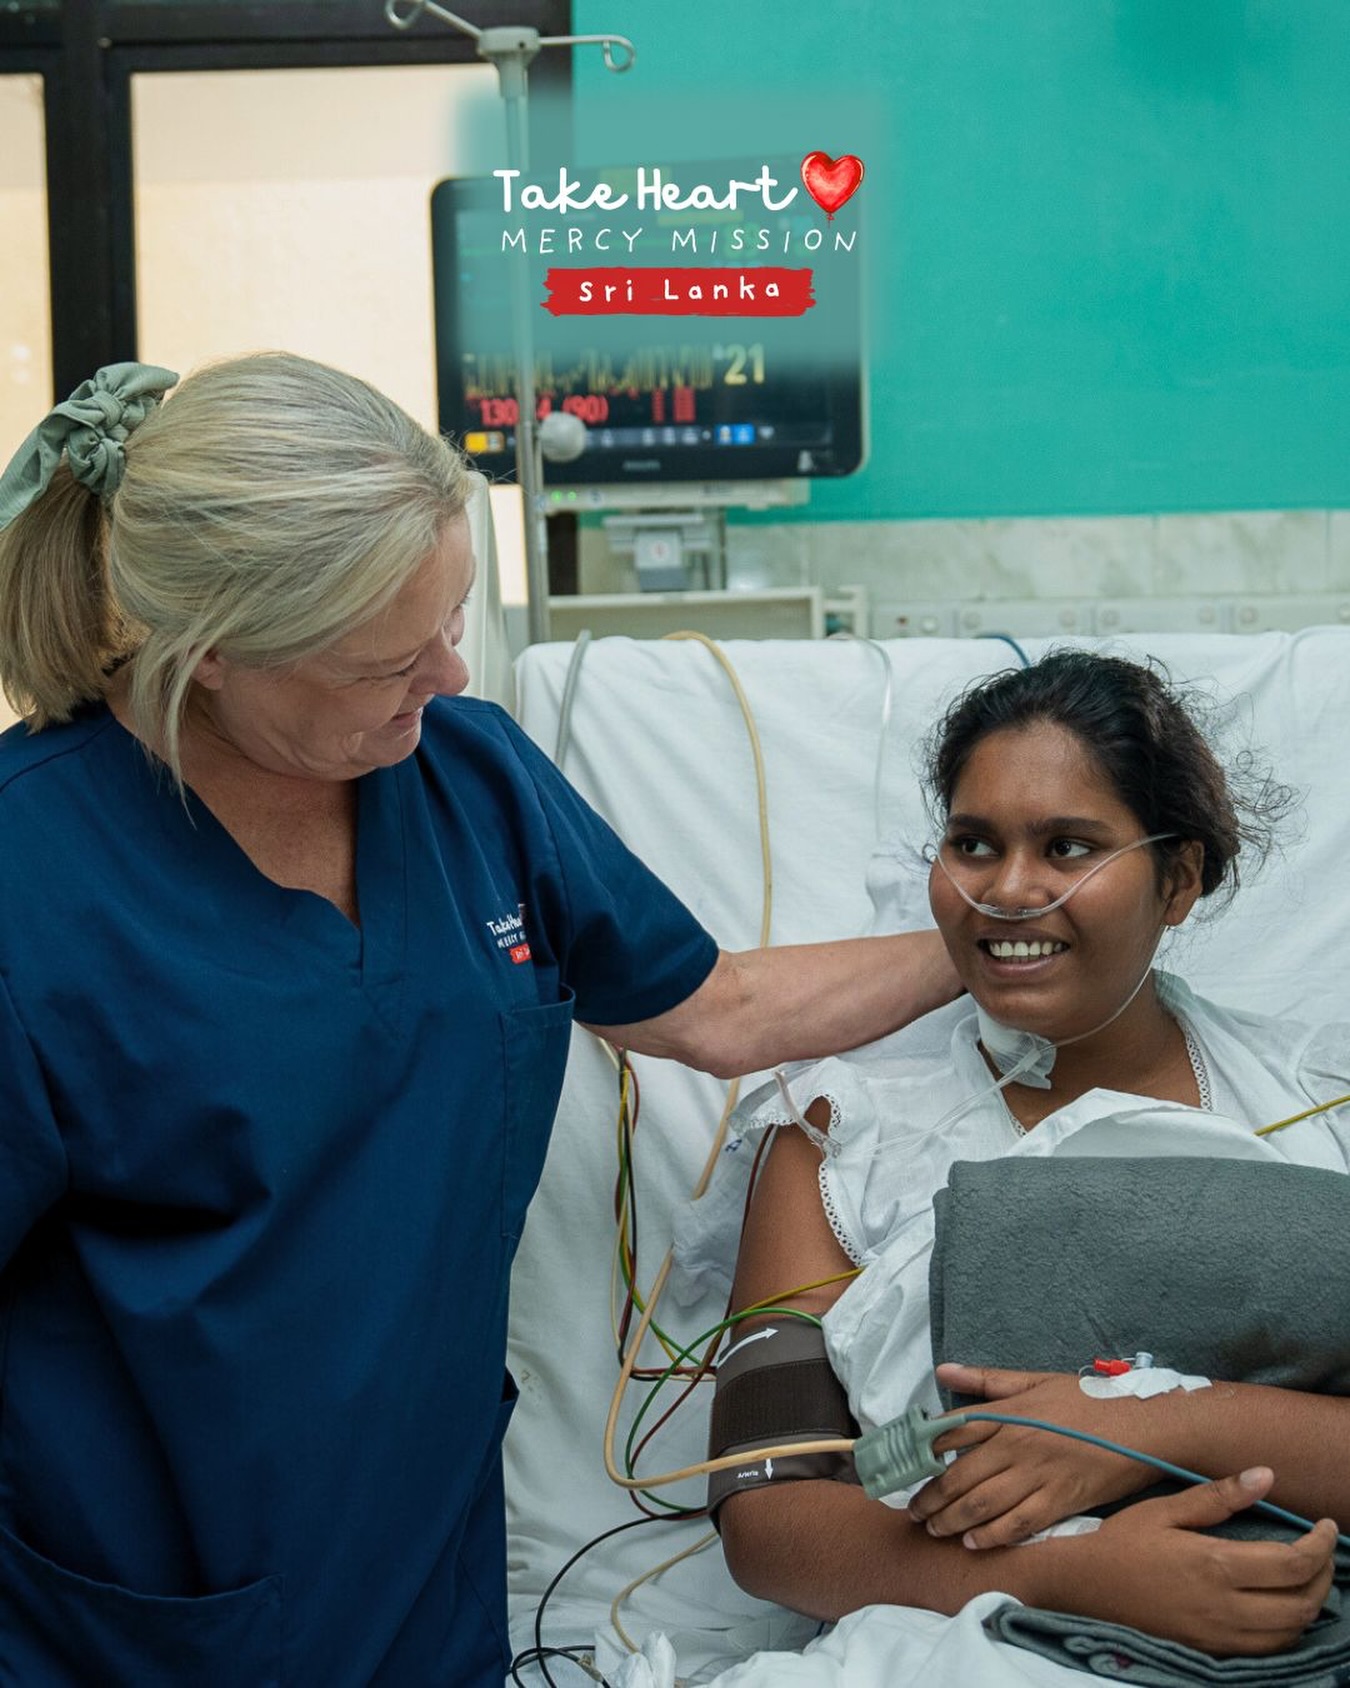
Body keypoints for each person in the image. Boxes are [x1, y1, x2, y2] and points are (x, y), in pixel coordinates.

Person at [0, 355, 961, 1687]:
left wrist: (988, 938)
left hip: (422, 1570)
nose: (449, 675)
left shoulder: (468, 776)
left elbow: (716, 1008)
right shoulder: (30, 873)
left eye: (453, 618)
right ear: (209, 652)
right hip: (130, 1609)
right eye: (389, 658)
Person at [716, 649, 1350, 1667]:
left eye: (1068, 846)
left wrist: (1156, 1423)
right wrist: (1066, 1574)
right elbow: (767, 1512)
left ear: (1179, 877)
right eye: (973, 842)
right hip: (970, 1637)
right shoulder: (837, 1136)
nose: (1009, 889)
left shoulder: (1319, 1109)